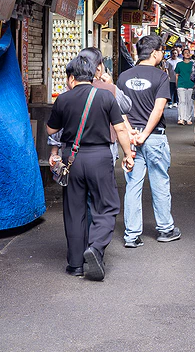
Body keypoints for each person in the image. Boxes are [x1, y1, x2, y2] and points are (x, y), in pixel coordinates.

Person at [47, 56, 135, 281]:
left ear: (71, 78)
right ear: (92, 75)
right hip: (100, 157)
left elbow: (50, 130)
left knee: (74, 210)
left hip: (72, 158)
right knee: (106, 206)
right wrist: (127, 155)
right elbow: (121, 130)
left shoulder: (63, 99)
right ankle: (95, 248)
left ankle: (75, 264)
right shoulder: (105, 96)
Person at [118, 35, 181, 248]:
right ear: (155, 53)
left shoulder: (123, 77)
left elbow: (120, 111)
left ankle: (132, 235)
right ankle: (165, 229)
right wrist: (144, 134)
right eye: (161, 51)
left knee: (133, 186)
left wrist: (131, 133)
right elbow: (159, 108)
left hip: (131, 139)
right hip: (154, 139)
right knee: (159, 182)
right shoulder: (161, 77)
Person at [174, 48, 195, 125]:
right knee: (182, 101)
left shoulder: (193, 64)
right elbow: (176, 75)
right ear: (183, 55)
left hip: (191, 84)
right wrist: (177, 85)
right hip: (181, 84)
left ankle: (188, 118)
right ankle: (181, 118)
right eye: (185, 53)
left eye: (188, 52)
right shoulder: (179, 64)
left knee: (189, 102)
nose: (187, 54)